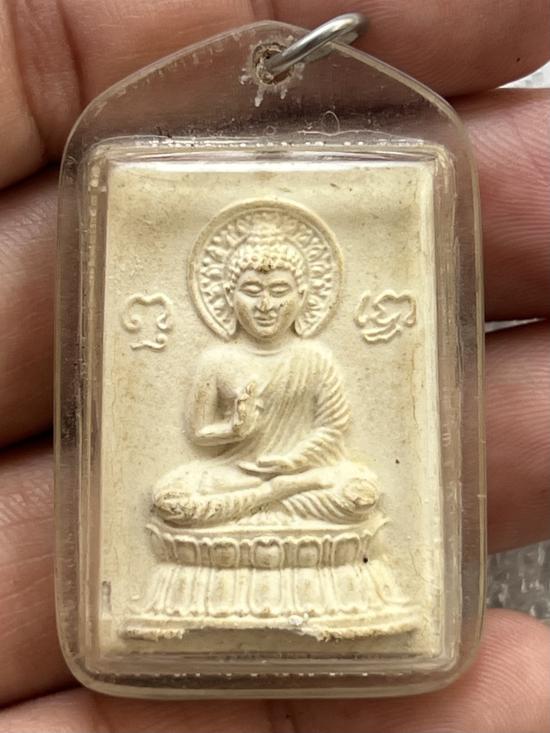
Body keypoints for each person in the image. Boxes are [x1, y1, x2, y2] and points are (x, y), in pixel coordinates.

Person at [0, 1, 549, 730]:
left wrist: (288, 469)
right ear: (227, 297)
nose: (264, 304)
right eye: (251, 291)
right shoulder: (219, 358)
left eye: (278, 291)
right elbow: (203, 438)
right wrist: (235, 430)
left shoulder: (314, 358)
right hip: (234, 483)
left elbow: (333, 434)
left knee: (358, 492)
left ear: (303, 296)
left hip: (299, 484)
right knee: (173, 496)